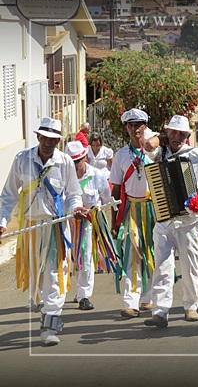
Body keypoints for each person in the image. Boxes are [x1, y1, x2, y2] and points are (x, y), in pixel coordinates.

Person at [0, 117, 86, 346]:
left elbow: (74, 194)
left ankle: (50, 326)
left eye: (53, 139)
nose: (48, 143)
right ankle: (45, 310)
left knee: (55, 276)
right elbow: (8, 195)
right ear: (38, 137)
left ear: (59, 141)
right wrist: (2, 222)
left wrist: (76, 208)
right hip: (30, 228)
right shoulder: (22, 159)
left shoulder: (65, 162)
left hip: (55, 227)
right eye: (45, 138)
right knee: (37, 279)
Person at [143, 115, 198, 327]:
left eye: (181, 134)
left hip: (189, 220)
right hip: (164, 218)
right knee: (162, 266)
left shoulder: (196, 155)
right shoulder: (160, 152)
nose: (177, 137)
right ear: (167, 133)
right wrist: (163, 137)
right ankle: (160, 311)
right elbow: (148, 145)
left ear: (187, 135)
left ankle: (191, 306)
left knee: (189, 264)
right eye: (173, 132)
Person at [109, 108, 156, 319]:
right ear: (126, 128)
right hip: (131, 211)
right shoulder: (121, 155)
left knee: (152, 253)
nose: (135, 128)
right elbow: (116, 189)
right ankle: (130, 302)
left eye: (139, 124)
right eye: (131, 125)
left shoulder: (155, 153)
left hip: (153, 209)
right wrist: (114, 221)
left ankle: (148, 297)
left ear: (145, 126)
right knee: (132, 256)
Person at [66, 141, 111, 310]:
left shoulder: (97, 175)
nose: (75, 165)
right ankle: (71, 292)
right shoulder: (64, 177)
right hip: (68, 223)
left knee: (85, 257)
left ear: (85, 157)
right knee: (69, 258)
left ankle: (84, 295)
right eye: (72, 162)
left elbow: (105, 198)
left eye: (78, 161)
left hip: (89, 223)